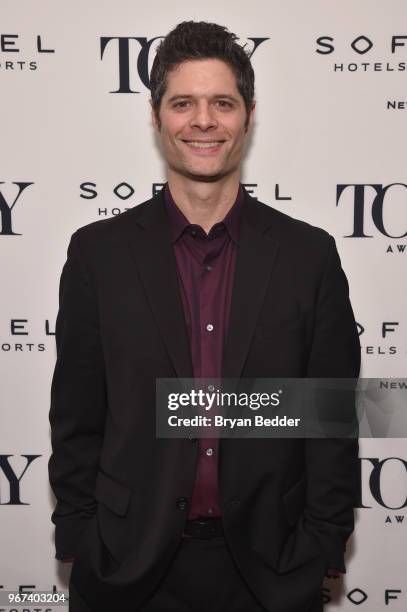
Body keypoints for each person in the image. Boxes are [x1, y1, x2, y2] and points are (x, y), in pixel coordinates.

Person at [48, 20, 360, 612]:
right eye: (183, 102)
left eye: (222, 102)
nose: (203, 120)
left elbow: (330, 421)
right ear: (156, 115)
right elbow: (77, 417)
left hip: (271, 574)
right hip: (129, 572)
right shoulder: (98, 253)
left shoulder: (307, 255)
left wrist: (320, 545)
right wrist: (84, 539)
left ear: (247, 114)